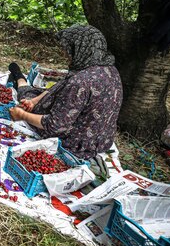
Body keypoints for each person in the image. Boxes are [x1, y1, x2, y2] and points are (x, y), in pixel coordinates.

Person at [7, 25, 123, 160]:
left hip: (74, 143)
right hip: (102, 140)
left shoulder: (80, 82)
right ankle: (20, 80)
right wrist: (35, 101)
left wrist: (22, 115)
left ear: (78, 48)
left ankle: (19, 78)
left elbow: (54, 126)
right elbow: (62, 86)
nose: (66, 54)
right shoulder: (110, 70)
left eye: (68, 50)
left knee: (26, 95)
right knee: (34, 97)